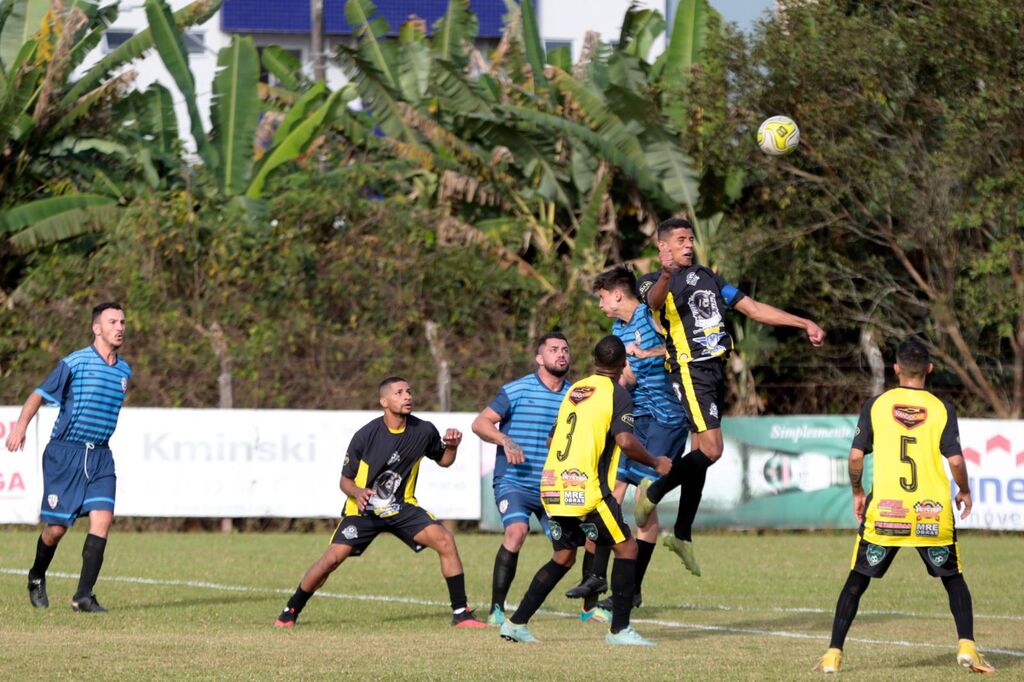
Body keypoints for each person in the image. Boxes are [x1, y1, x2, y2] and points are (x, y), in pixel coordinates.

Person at [636, 217, 825, 575]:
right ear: (663, 246)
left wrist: (804, 323)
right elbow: (655, 303)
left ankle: (682, 534)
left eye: (690, 238)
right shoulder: (652, 281)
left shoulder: (709, 277)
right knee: (712, 450)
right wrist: (663, 275)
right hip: (690, 369)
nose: (688, 244)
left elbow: (752, 308)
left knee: (699, 454)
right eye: (680, 240)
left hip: (715, 370)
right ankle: (654, 492)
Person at [813, 339, 995, 674]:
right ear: (929, 369)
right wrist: (965, 490)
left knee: (857, 580)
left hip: (886, 513)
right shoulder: (942, 409)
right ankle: (967, 646)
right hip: (932, 512)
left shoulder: (876, 405)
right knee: (953, 578)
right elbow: (955, 460)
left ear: (895, 368)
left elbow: (855, 457)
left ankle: (833, 655)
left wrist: (857, 491)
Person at [499, 335, 672, 647]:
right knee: (628, 549)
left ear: (594, 362)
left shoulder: (576, 390)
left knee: (563, 557)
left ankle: (516, 622)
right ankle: (619, 630)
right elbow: (626, 442)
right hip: (586, 489)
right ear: (623, 364)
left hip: (552, 486)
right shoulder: (618, 394)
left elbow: (554, 440)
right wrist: (656, 461)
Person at [274, 377, 486, 629]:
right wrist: (358, 493)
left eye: (409, 391)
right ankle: (290, 611)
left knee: (445, 540)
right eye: (399, 393)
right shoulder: (366, 436)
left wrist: (452, 447)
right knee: (330, 560)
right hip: (363, 511)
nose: (407, 396)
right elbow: (344, 481)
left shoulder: (424, 430)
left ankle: (461, 614)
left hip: (401, 507)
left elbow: (444, 461)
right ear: (384, 402)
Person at [564, 266, 689, 613]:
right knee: (610, 495)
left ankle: (631, 589)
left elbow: (682, 351)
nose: (601, 305)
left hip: (668, 416)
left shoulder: (653, 316)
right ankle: (598, 577)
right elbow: (627, 379)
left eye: (602, 298)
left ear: (617, 294)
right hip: (640, 417)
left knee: (643, 504)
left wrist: (645, 353)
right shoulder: (617, 329)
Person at [4, 302, 131, 613]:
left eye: (123, 322)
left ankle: (83, 596)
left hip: (100, 456)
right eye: (112, 321)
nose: (120, 327)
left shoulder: (124, 370)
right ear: (96, 328)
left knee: (103, 520)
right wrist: (20, 426)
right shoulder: (75, 363)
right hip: (66, 454)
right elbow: (38, 394)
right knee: (57, 529)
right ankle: (36, 576)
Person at [471, 333, 574, 625]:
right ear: (539, 358)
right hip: (514, 481)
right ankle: (497, 609)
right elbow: (480, 423)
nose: (561, 354)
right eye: (553, 350)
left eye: (565, 349)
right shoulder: (516, 390)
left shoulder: (575, 396)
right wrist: (506, 440)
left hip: (554, 486)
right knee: (516, 532)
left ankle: (587, 608)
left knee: (567, 553)